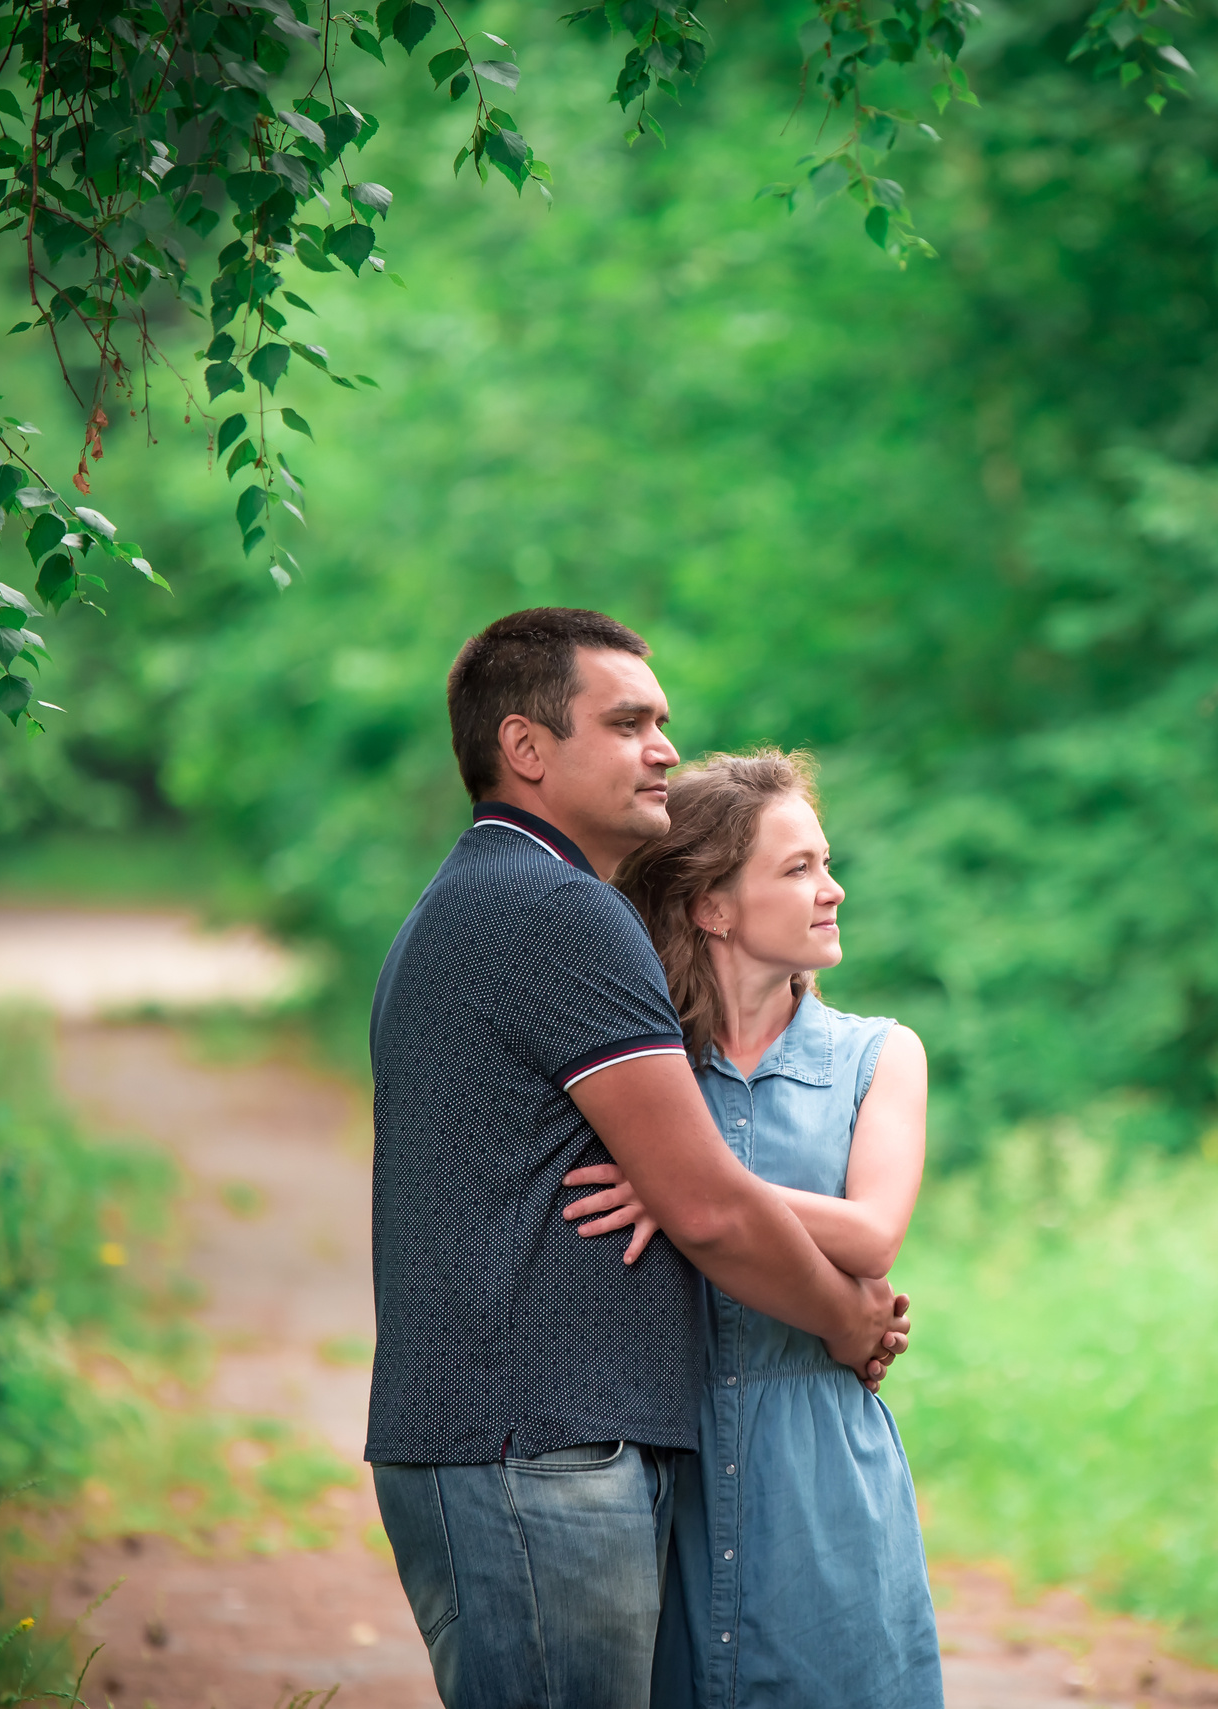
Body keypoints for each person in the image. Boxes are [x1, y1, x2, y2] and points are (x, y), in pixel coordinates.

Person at [365, 610, 911, 1709]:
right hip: (537, 1454)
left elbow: (692, 1192)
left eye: (661, 720)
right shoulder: (561, 910)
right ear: (526, 748)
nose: (664, 745)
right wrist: (848, 1320)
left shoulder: (478, 900)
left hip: (508, 1444)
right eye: (627, 722)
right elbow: (705, 1205)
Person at [565, 749, 944, 1709]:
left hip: (822, 1476)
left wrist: (694, 1185)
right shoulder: (637, 1073)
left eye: (825, 860)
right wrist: (682, 1182)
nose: (833, 887)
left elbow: (871, 1237)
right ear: (713, 906)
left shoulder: (880, 1055)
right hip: (659, 1465)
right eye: (799, 868)